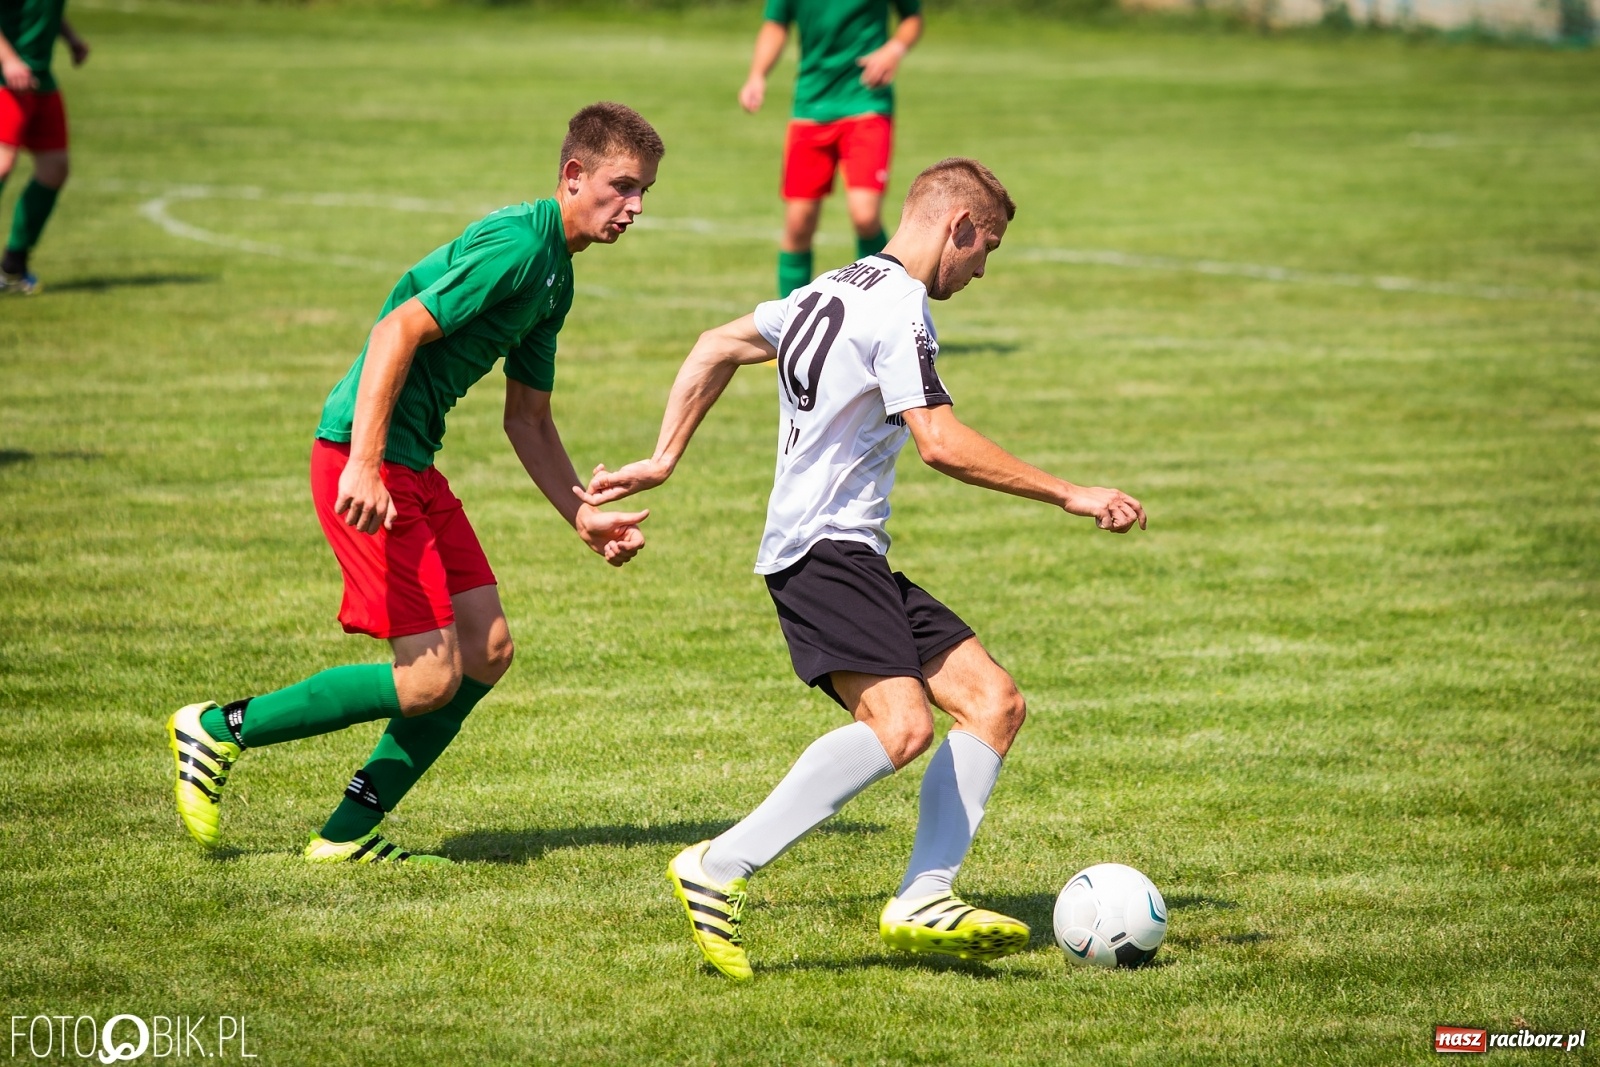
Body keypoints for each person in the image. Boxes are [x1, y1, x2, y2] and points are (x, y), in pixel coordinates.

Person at [580, 158, 1146, 979]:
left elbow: (718, 344)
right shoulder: (900, 306)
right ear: (955, 226)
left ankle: (925, 894)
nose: (982, 268)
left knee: (993, 700)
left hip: (851, 552)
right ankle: (719, 867)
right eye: (984, 247)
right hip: (822, 552)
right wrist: (1070, 492)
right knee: (903, 726)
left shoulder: (829, 287)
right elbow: (940, 441)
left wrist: (667, 455)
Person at [166, 103, 663, 865]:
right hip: (364, 456)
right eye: (622, 187)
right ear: (573, 176)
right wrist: (365, 462)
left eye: (644, 194)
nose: (633, 208)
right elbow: (394, 330)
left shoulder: (556, 278)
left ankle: (343, 834)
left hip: (412, 462)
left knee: (487, 648)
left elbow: (528, 419)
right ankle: (219, 729)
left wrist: (581, 514)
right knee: (429, 679)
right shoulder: (520, 244)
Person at [739, 0, 923, 298]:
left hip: (866, 102)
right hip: (810, 107)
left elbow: (912, 18)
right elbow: (776, 24)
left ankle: (883, 308)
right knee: (798, 225)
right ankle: (791, 325)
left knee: (865, 216)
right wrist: (757, 75)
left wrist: (894, 50)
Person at [0, 0, 89, 294]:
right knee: (2, 164)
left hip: (39, 78)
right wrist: (8, 59)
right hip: (6, 79)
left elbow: (47, 9)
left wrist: (71, 37)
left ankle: (13, 266)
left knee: (55, 169)